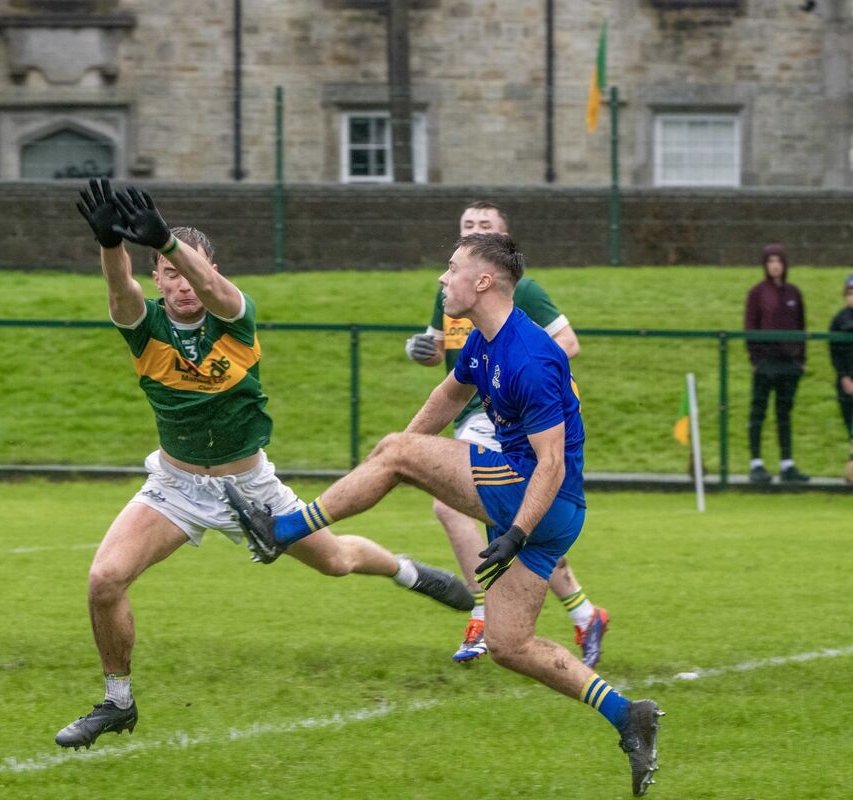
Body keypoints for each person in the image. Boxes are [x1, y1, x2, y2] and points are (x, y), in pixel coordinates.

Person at [225, 233, 664, 797]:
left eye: (451, 268)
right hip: (548, 508)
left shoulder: (529, 356)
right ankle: (629, 716)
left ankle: (281, 529)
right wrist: (394, 457)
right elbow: (449, 397)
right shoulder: (484, 342)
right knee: (510, 645)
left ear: (484, 281)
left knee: (398, 452)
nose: (442, 278)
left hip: (537, 495)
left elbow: (551, 465)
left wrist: (513, 528)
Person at [54, 178, 473, 751]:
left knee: (336, 562)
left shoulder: (233, 314)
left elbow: (220, 294)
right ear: (156, 279)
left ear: (210, 268)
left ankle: (406, 571)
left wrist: (176, 248)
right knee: (104, 580)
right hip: (175, 486)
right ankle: (117, 702)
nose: (181, 284)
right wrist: (109, 243)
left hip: (249, 487)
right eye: (169, 274)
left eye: (190, 271)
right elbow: (119, 293)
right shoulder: (144, 323)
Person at [403, 201, 608, 667]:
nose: (474, 230)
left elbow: (567, 344)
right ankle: (583, 612)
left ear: (498, 244)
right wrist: (421, 351)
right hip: (469, 411)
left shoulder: (524, 292)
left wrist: (523, 375)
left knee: (452, 503)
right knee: (524, 520)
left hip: (502, 415)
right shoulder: (450, 289)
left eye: (484, 226)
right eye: (467, 226)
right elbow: (438, 353)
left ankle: (480, 608)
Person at [744, 244, 809, 484]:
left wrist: (801, 360)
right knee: (758, 412)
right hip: (766, 363)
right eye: (770, 261)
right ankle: (756, 463)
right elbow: (750, 327)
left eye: (778, 261)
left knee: (784, 414)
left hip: (789, 364)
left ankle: (787, 463)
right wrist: (756, 359)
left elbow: (802, 327)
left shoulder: (794, 293)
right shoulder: (757, 293)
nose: (775, 265)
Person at [829, 273, 853, 483]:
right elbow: (834, 352)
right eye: (850, 293)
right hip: (847, 383)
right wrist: (844, 377)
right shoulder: (839, 320)